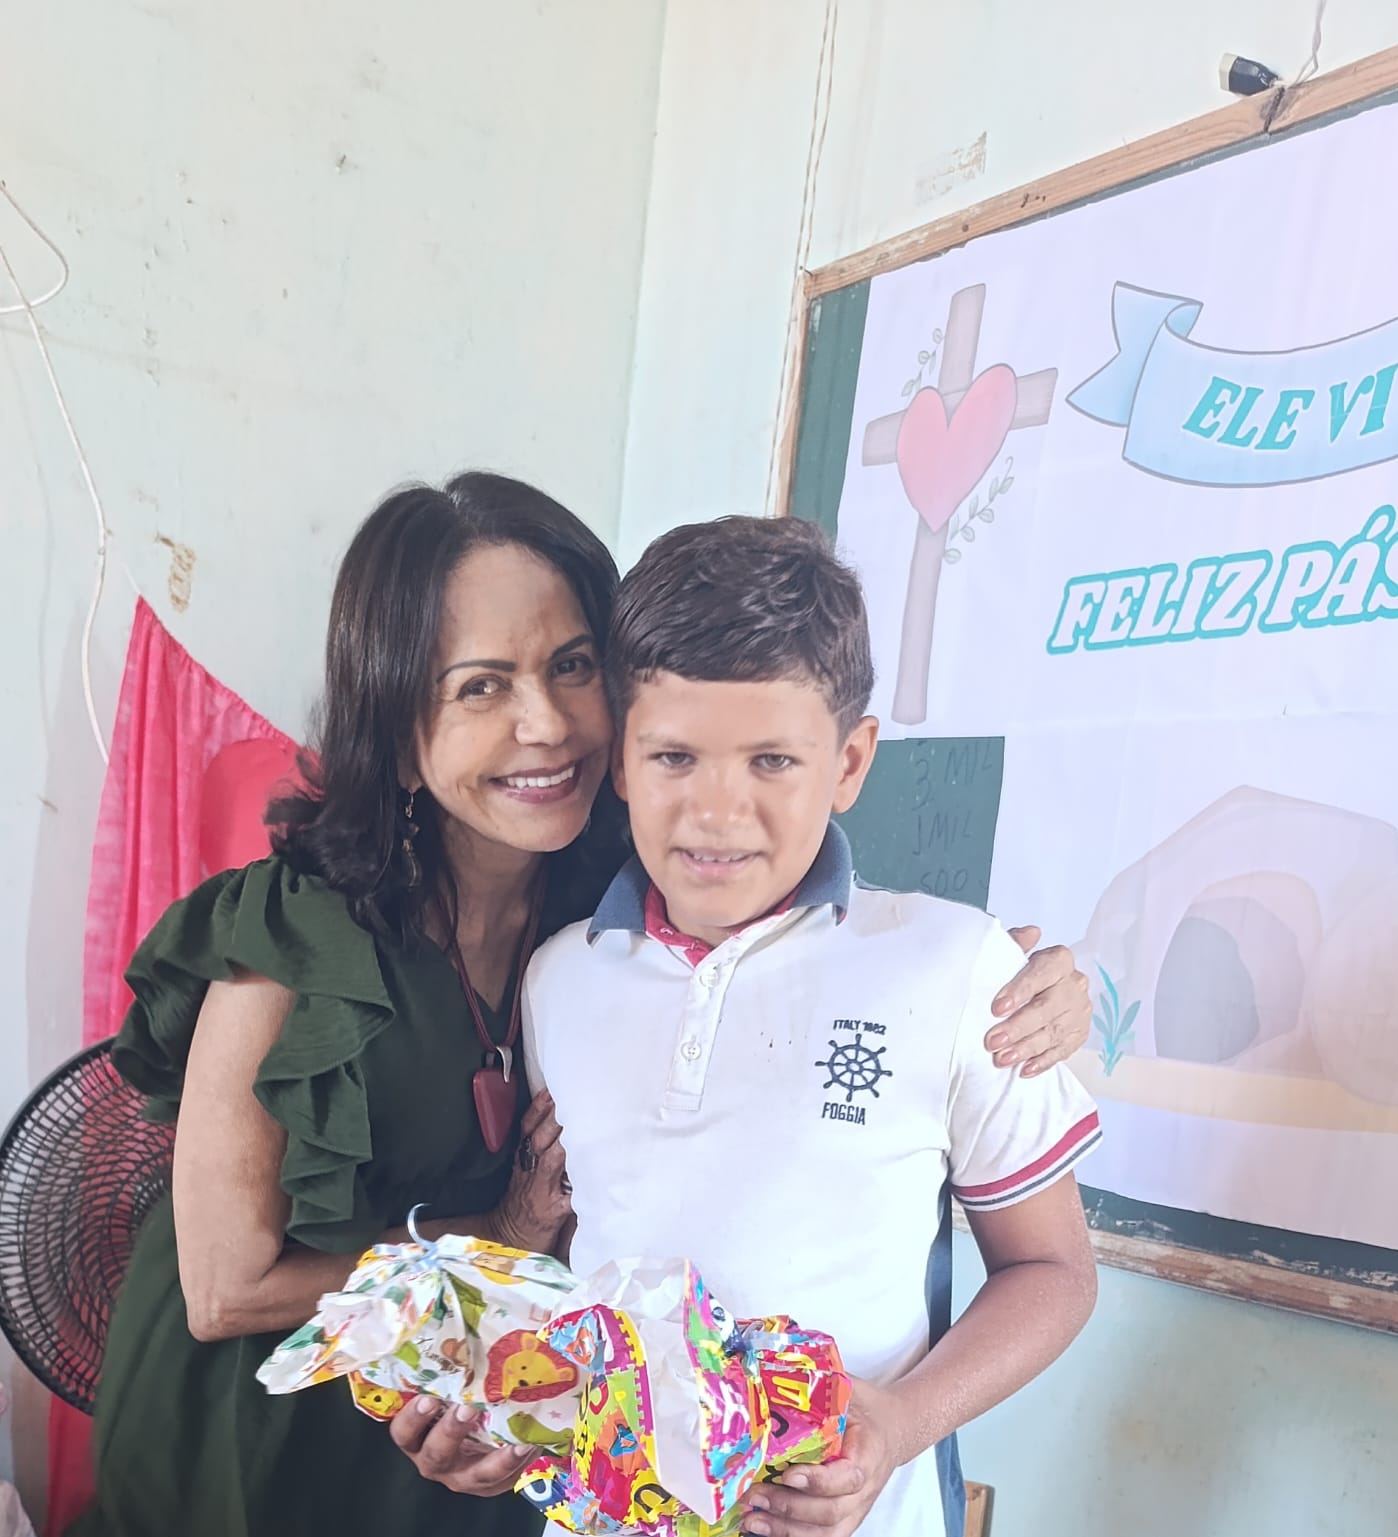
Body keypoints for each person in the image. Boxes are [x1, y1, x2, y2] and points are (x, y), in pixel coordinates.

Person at [70, 475, 1092, 1537]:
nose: (547, 724)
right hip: (268, 1431)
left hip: (497, 1447)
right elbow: (230, 1289)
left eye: (571, 666)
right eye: (480, 686)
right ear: (402, 730)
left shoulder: (593, 916)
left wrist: (1022, 984)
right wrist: (500, 1246)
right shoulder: (319, 931)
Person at [394, 515, 1101, 1537]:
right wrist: (512, 1410)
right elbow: (595, 1260)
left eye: (772, 760)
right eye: (674, 756)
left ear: (849, 761)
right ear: (620, 759)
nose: (716, 812)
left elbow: (1054, 1271)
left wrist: (900, 1421)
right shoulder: (560, 978)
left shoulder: (958, 968)